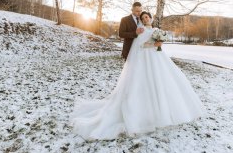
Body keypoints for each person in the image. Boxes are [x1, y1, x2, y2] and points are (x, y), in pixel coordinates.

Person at [70, 11, 205, 140]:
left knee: (166, 82)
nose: (146, 19)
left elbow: (159, 45)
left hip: (158, 59)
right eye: (143, 18)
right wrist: (154, 43)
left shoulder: (156, 30)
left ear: (151, 19)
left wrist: (159, 43)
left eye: (147, 17)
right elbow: (141, 45)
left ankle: (167, 112)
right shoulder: (141, 31)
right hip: (145, 60)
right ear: (141, 21)